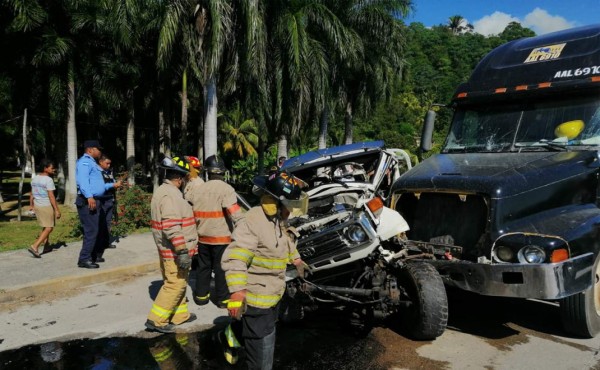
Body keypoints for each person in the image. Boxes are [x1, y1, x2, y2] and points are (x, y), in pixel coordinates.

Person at [219, 171, 308, 368]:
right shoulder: (253, 221)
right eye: (289, 206)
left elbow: (285, 240)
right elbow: (236, 257)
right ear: (274, 203)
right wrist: (237, 292)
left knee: (253, 333)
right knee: (262, 356)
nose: (291, 211)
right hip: (256, 298)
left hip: (273, 293)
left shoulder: (276, 220)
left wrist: (297, 259)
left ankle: (230, 334)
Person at [145, 155, 198, 334]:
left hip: (169, 249)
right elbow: (171, 226)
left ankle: (179, 315)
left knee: (181, 282)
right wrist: (182, 250)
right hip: (174, 250)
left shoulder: (164, 191)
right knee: (175, 284)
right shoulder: (170, 196)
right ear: (180, 178)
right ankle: (156, 320)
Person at [190, 155, 243, 308]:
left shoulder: (199, 189)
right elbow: (235, 213)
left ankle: (201, 298)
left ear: (207, 172)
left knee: (203, 267)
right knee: (221, 269)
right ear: (222, 172)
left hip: (202, 237)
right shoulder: (226, 189)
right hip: (222, 238)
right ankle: (222, 300)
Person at [75, 139, 107, 269]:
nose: (100, 151)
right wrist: (89, 196)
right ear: (90, 150)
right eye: (98, 149)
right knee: (91, 230)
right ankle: (84, 259)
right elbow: (83, 181)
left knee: (96, 229)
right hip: (88, 200)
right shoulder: (84, 162)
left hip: (94, 200)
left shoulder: (91, 162)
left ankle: (93, 255)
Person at [27, 159, 61, 258]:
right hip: (46, 206)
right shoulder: (48, 180)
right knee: (49, 227)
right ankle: (35, 246)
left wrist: (31, 205)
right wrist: (57, 210)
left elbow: (32, 193)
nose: (53, 169)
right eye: (52, 167)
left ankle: (46, 246)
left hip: (38, 205)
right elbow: (51, 196)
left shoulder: (35, 178)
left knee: (45, 225)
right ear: (45, 168)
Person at [98, 154, 122, 251]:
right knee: (100, 222)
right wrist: (113, 185)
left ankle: (106, 242)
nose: (109, 165)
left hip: (110, 199)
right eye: (107, 163)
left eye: (109, 164)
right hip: (101, 200)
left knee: (108, 222)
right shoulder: (97, 172)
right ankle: (99, 244)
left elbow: (113, 182)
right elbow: (100, 186)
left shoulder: (109, 172)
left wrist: (117, 184)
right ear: (100, 162)